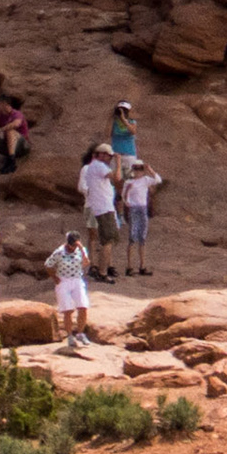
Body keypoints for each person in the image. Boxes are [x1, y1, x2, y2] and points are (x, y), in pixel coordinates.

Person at [78, 144, 121, 283]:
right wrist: (119, 163)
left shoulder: (94, 167)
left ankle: (102, 267)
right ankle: (101, 271)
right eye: (109, 156)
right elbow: (117, 177)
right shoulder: (98, 167)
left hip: (101, 206)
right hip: (102, 207)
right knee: (105, 239)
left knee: (105, 239)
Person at [45, 230, 92, 345]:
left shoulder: (81, 250)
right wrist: (55, 278)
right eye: (71, 245)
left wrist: (81, 249)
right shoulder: (59, 252)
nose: (72, 248)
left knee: (83, 306)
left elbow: (86, 263)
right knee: (68, 310)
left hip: (76, 279)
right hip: (64, 281)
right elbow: (48, 264)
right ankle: (70, 335)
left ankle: (80, 333)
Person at [119, 158, 164, 276]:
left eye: (140, 169)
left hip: (142, 209)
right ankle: (129, 267)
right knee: (132, 238)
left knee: (142, 238)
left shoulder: (145, 180)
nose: (138, 171)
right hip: (134, 209)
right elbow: (123, 195)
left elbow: (158, 180)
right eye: (136, 169)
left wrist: (150, 169)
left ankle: (142, 266)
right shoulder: (129, 182)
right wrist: (127, 202)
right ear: (133, 169)